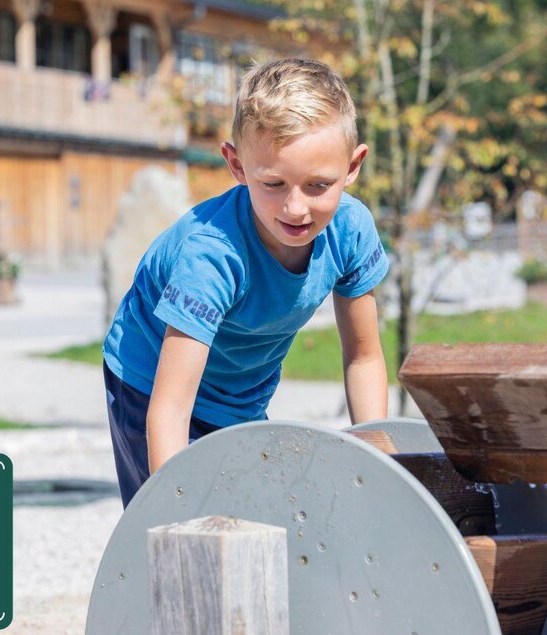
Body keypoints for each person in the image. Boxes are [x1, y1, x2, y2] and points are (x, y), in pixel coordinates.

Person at [102, 58, 389, 506]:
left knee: (253, 517)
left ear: (353, 167)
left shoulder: (350, 229)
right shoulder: (213, 255)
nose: (296, 209)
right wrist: (176, 519)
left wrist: (377, 462)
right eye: (273, 183)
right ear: (236, 166)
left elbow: (364, 357)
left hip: (240, 393)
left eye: (318, 185)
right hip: (150, 383)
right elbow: (170, 410)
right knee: (177, 522)